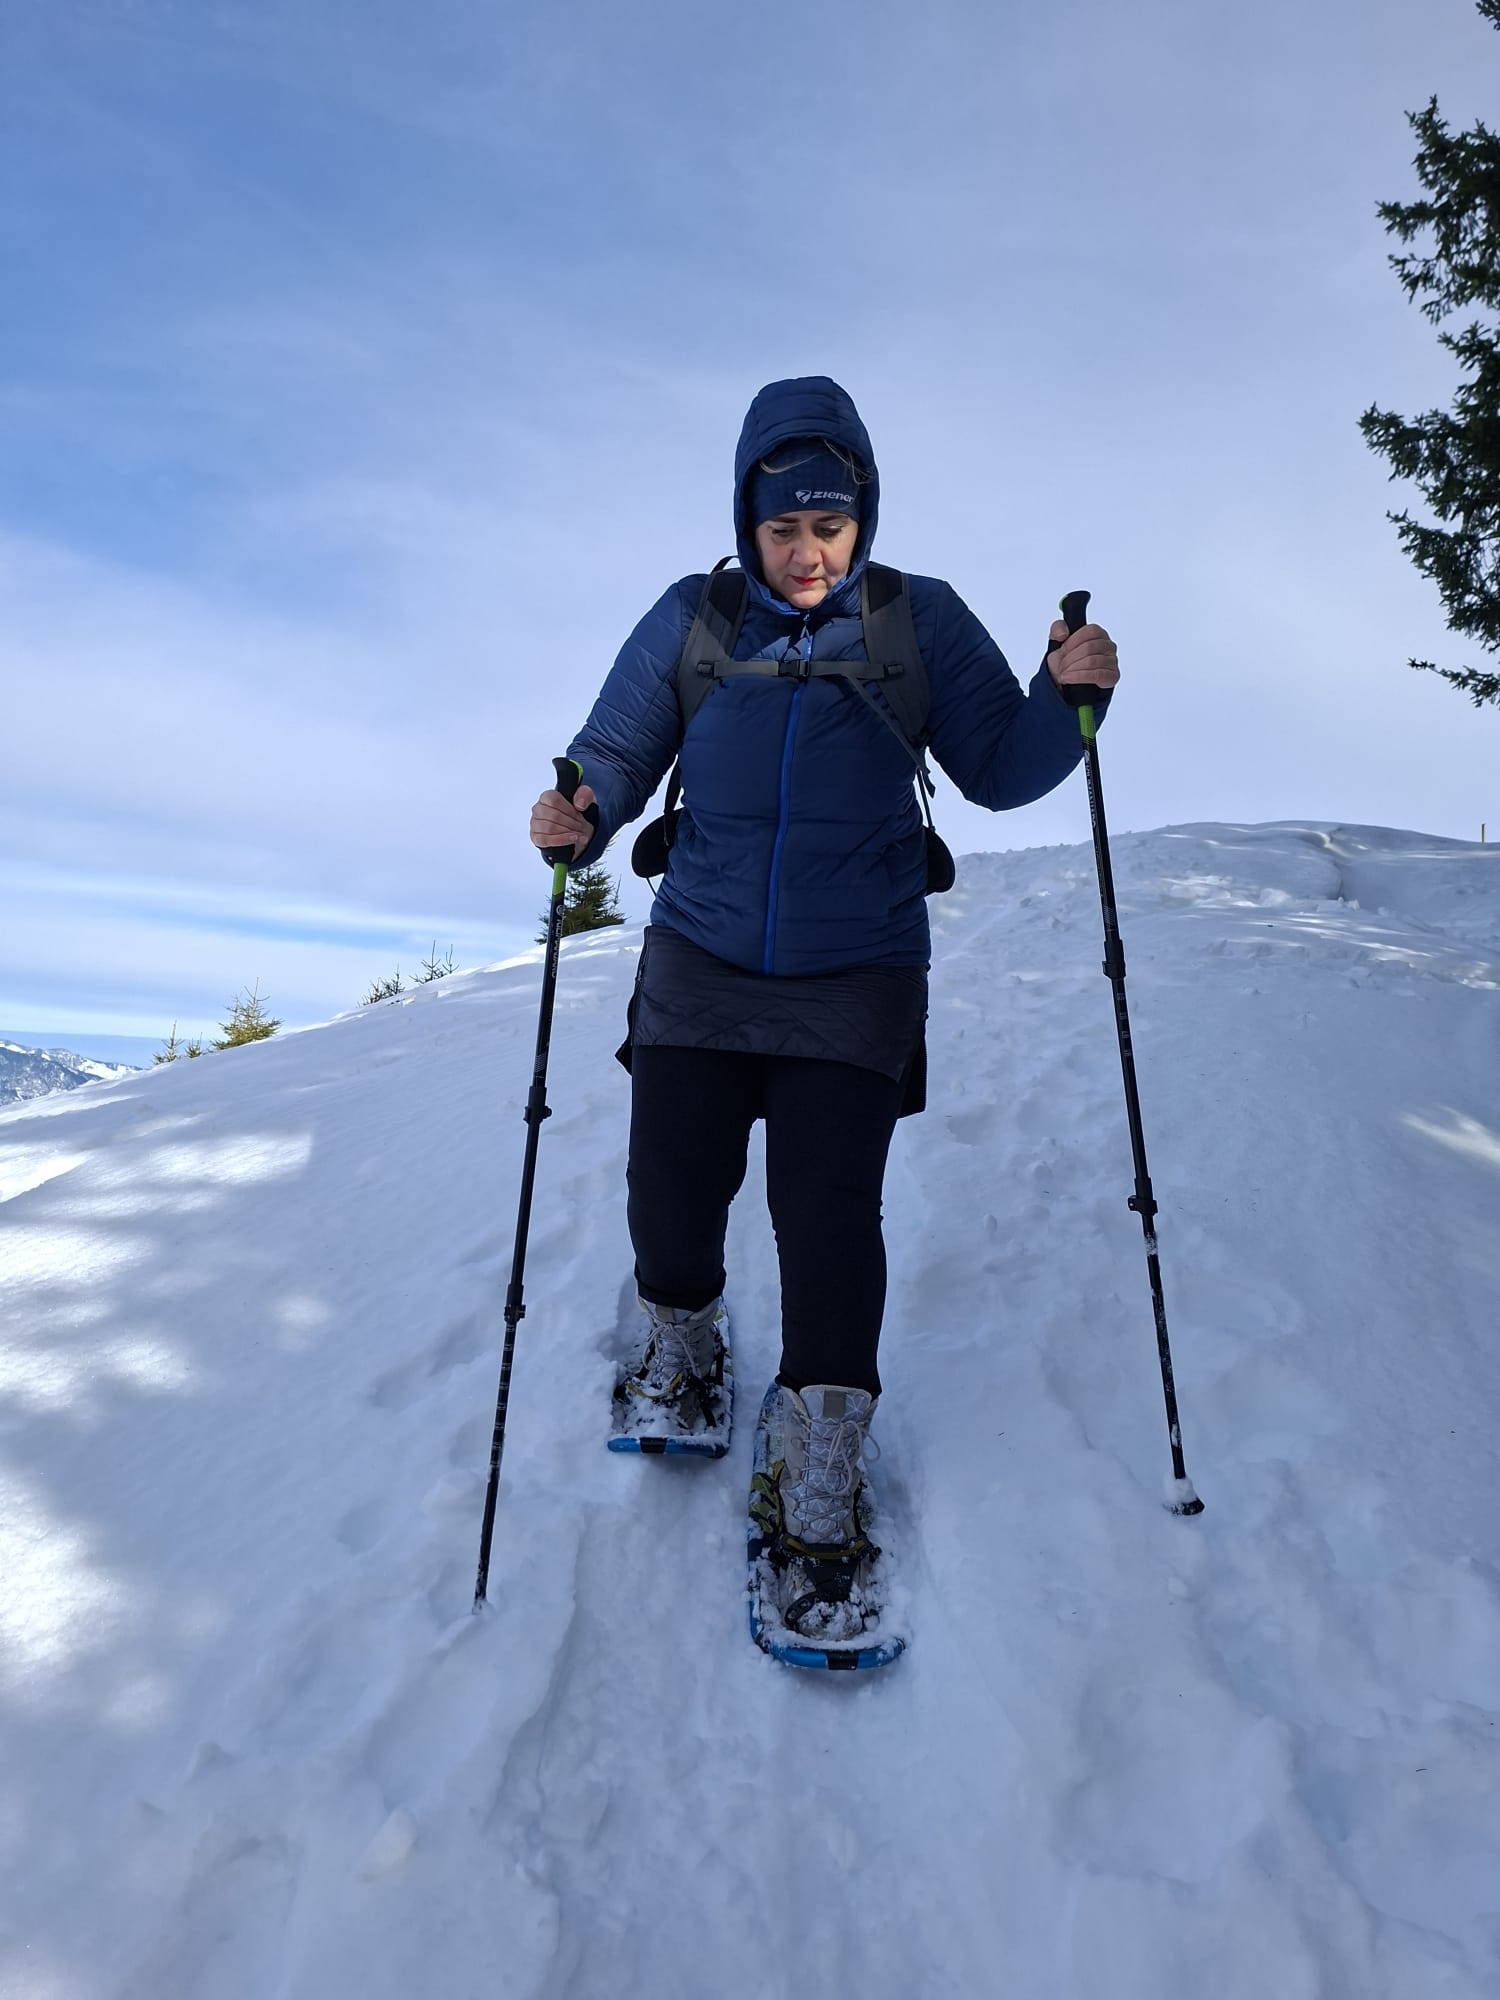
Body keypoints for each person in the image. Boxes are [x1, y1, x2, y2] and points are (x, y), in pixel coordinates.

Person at [530, 375, 1119, 1642]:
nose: (806, 554)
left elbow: (1005, 769)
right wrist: (580, 807)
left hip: (857, 969)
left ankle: (820, 1454)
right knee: (672, 1188)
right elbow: (618, 748)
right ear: (747, 518)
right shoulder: (697, 617)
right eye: (784, 528)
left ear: (864, 519)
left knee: (829, 1215)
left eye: (830, 528)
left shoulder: (919, 623)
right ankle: (680, 1341)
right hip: (700, 950)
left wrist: (1069, 697)